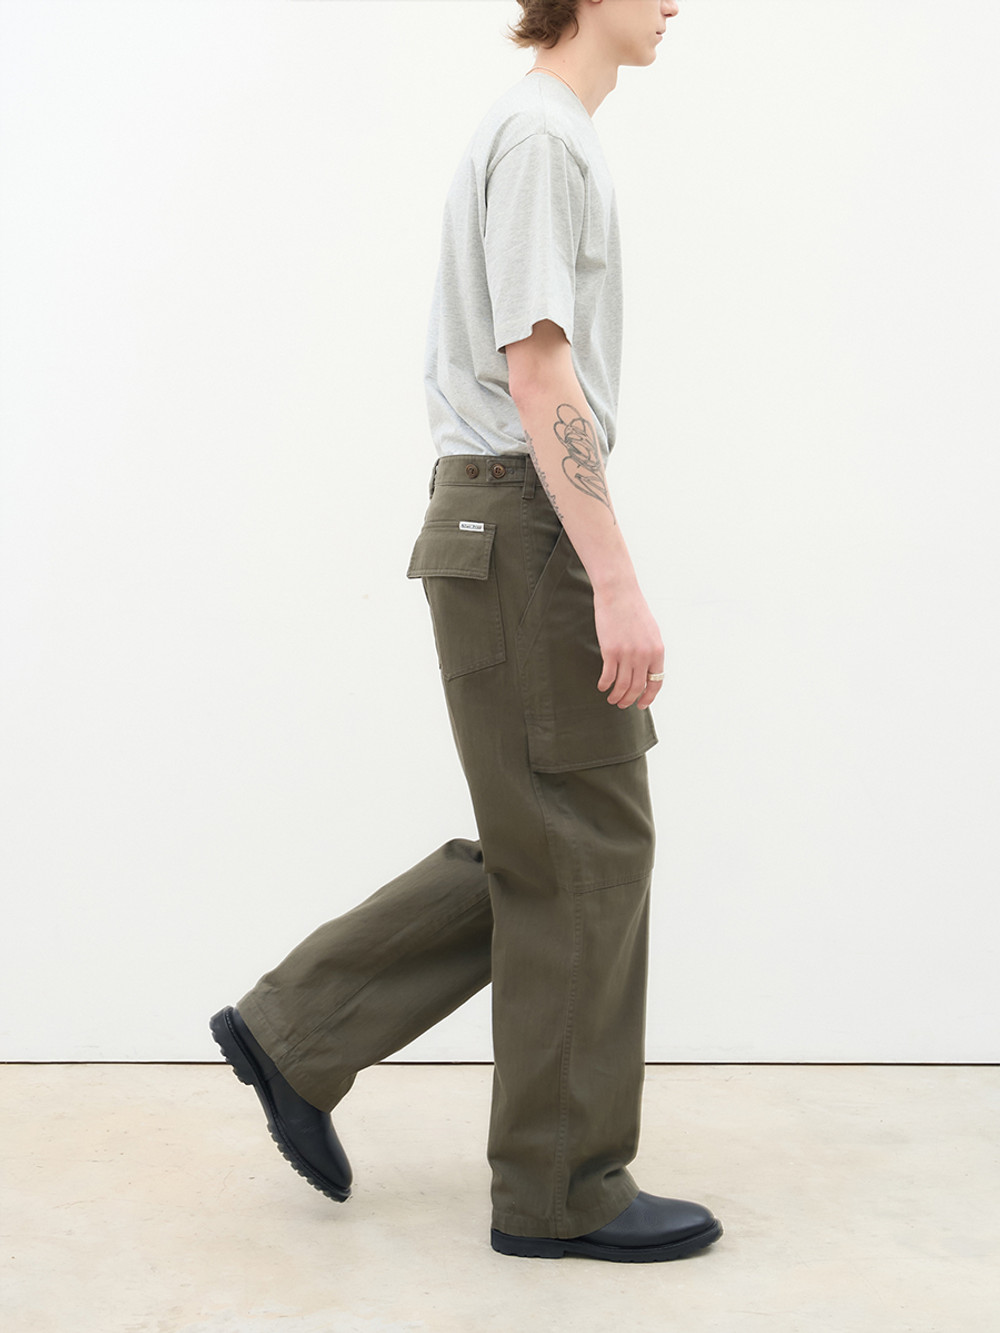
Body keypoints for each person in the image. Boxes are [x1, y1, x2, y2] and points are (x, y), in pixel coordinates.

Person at [211, 0, 722, 1263]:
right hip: (525, 521)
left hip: (501, 520)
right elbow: (536, 372)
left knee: (554, 840)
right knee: (584, 845)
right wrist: (615, 580)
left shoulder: (541, 130)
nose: (680, 2)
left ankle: (296, 1027)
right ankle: (559, 1190)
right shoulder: (541, 138)